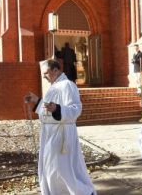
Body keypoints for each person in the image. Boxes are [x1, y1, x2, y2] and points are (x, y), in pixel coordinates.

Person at [24, 59, 95, 195]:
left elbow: (75, 109)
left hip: (61, 134)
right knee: (52, 169)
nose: (44, 76)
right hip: (50, 133)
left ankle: (85, 192)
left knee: (63, 170)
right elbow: (48, 109)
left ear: (56, 70)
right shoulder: (55, 86)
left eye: (46, 73)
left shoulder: (67, 85)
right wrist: (37, 100)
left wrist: (57, 108)